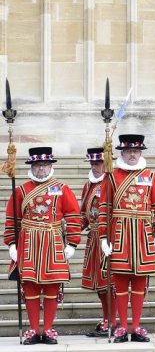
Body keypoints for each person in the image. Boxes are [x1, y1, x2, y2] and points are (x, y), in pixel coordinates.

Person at [3, 147, 82, 345]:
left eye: (45, 165)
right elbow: (12, 219)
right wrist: (11, 243)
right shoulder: (20, 190)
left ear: (50, 166)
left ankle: (47, 329)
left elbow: (73, 217)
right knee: (29, 287)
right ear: (32, 166)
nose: (41, 169)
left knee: (51, 287)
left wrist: (72, 243)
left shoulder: (62, 189)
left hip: (53, 241)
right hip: (28, 243)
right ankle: (33, 329)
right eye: (38, 165)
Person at [98, 134, 155, 342]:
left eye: (136, 151)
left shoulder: (151, 176)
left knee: (139, 283)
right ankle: (122, 326)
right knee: (119, 283)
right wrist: (103, 237)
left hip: (143, 235)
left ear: (141, 153)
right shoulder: (111, 176)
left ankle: (135, 326)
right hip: (119, 235)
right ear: (122, 153)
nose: (132, 155)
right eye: (128, 152)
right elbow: (104, 209)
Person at [80, 147, 112, 337]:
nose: (95, 167)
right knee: (100, 284)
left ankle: (114, 320)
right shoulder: (89, 185)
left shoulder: (113, 182)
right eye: (92, 163)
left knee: (111, 283)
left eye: (98, 163)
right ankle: (107, 317)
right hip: (93, 238)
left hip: (109, 238)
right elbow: (83, 214)